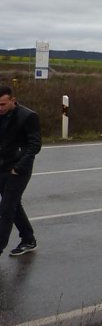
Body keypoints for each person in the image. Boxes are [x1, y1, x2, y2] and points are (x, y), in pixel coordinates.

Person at [0, 85, 41, 257]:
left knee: (6, 208)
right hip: (2, 166)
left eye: (3, 104)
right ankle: (28, 239)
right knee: (13, 205)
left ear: (13, 100)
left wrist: (19, 166)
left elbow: (34, 145)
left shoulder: (28, 116)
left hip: (18, 169)